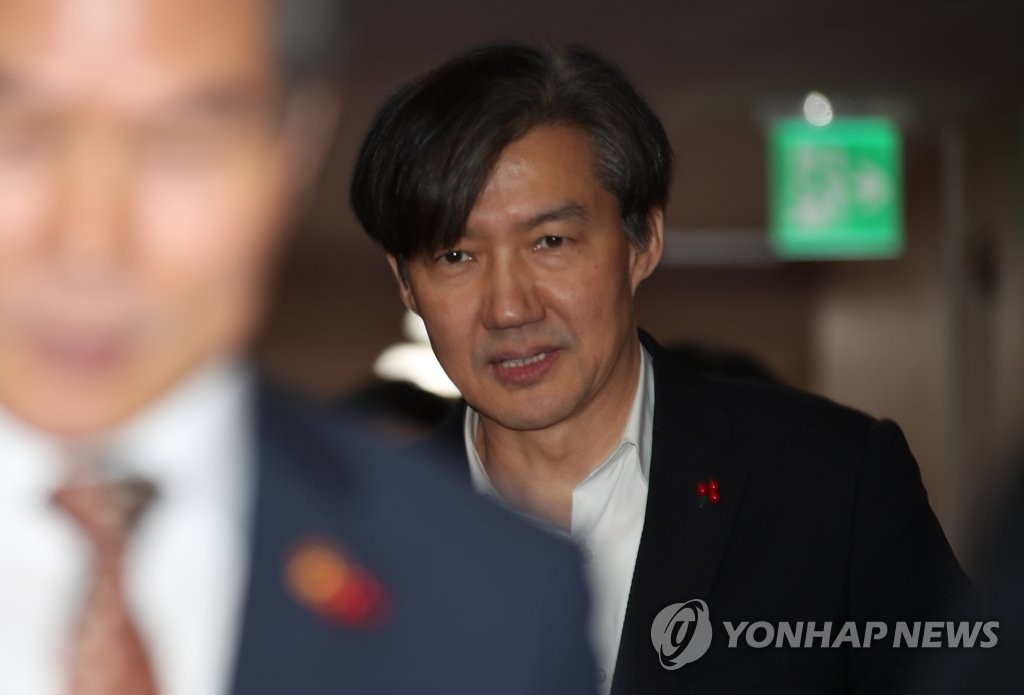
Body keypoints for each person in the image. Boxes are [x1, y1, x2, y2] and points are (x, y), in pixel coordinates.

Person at [0, 5, 596, 695]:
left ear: (297, 142)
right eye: (18, 133)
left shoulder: (492, 603)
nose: (89, 245)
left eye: (181, 146)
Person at [350, 44, 978, 694]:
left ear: (643, 241)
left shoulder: (832, 484)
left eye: (551, 242)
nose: (509, 308)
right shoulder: (353, 537)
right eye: (455, 255)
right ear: (405, 281)